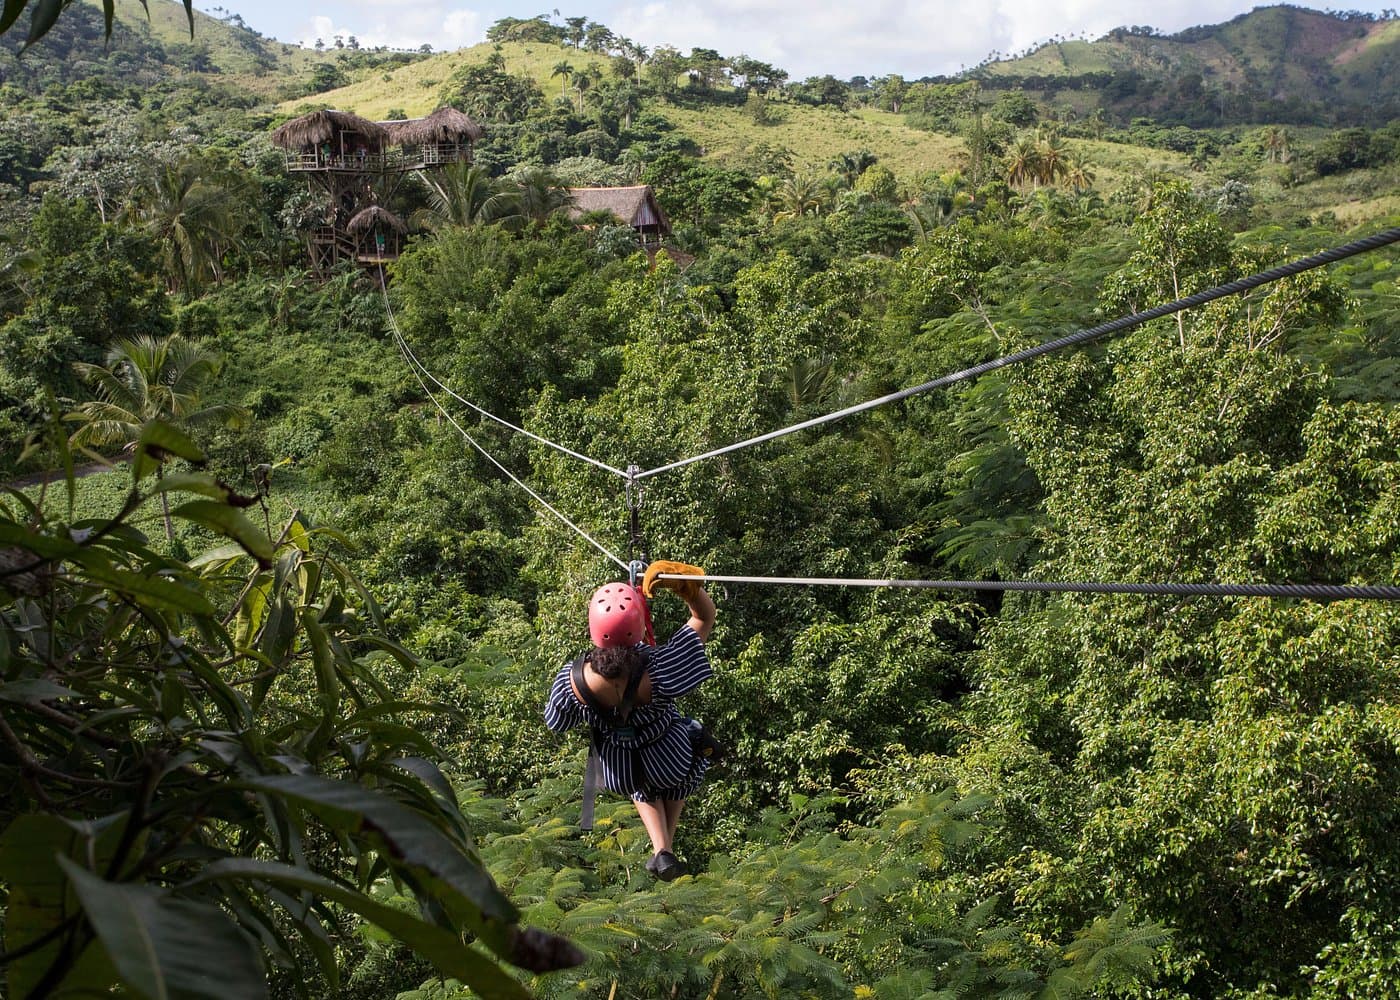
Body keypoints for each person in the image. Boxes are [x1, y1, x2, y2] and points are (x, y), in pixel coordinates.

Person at [544, 563, 720, 881]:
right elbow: (704, 618)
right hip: (671, 760)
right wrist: (688, 589)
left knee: (642, 783)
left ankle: (662, 849)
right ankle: (666, 847)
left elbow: (556, 722)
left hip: (619, 770)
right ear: (638, 627)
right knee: (693, 739)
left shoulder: (572, 681)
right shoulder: (661, 668)